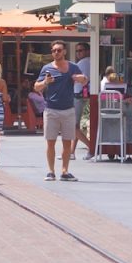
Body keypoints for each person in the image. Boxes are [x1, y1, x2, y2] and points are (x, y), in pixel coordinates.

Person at [34, 41, 88, 181]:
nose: (56, 53)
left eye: (59, 50)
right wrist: (45, 82)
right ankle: (51, 171)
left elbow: (84, 80)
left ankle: (64, 171)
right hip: (51, 110)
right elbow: (36, 87)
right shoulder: (47, 68)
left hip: (68, 110)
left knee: (67, 142)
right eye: (54, 50)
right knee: (50, 142)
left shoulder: (73, 67)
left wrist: (81, 79)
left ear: (64, 51)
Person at [71, 41, 93, 160]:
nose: (78, 53)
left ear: (87, 51)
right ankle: (71, 152)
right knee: (76, 125)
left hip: (78, 95)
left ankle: (91, 146)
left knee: (73, 126)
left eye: (81, 50)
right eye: (77, 51)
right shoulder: (90, 62)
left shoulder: (83, 63)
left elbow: (75, 78)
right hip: (85, 94)